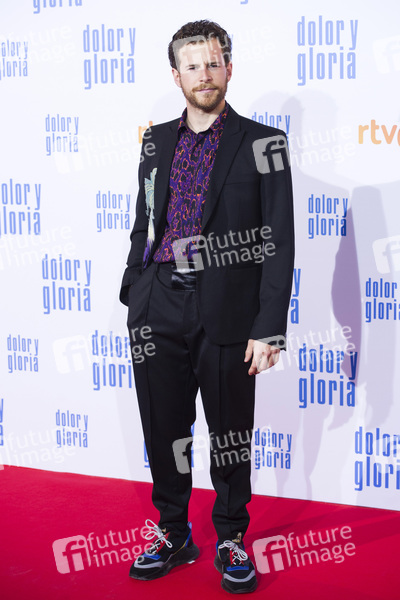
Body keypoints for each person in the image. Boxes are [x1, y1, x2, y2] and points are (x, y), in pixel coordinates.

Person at [120, 20, 294, 594]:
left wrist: (270, 328)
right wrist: (135, 289)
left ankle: (231, 537)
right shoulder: (155, 140)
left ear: (229, 68)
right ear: (176, 75)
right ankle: (173, 532)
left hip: (227, 311)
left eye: (213, 62)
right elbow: (146, 220)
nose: (204, 74)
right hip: (157, 303)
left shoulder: (264, 142)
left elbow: (278, 239)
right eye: (192, 65)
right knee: (163, 427)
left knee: (229, 434)